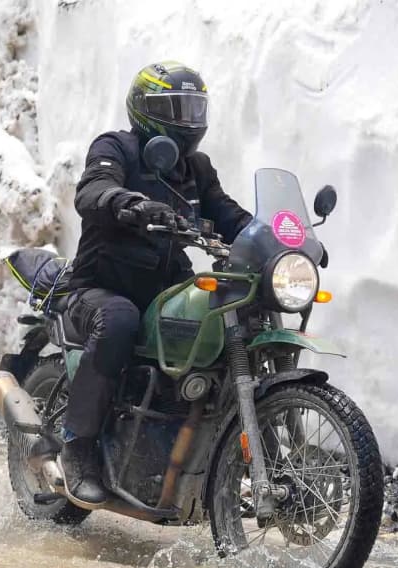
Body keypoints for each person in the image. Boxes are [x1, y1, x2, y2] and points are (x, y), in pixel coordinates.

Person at [57, 61, 253, 505]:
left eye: (194, 109)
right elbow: (92, 189)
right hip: (101, 286)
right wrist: (126, 201)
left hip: (166, 289)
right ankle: (77, 448)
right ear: (145, 110)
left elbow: (228, 214)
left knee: (224, 318)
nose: (188, 120)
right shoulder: (116, 148)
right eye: (175, 109)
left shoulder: (195, 167)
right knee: (119, 320)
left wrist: (279, 239)